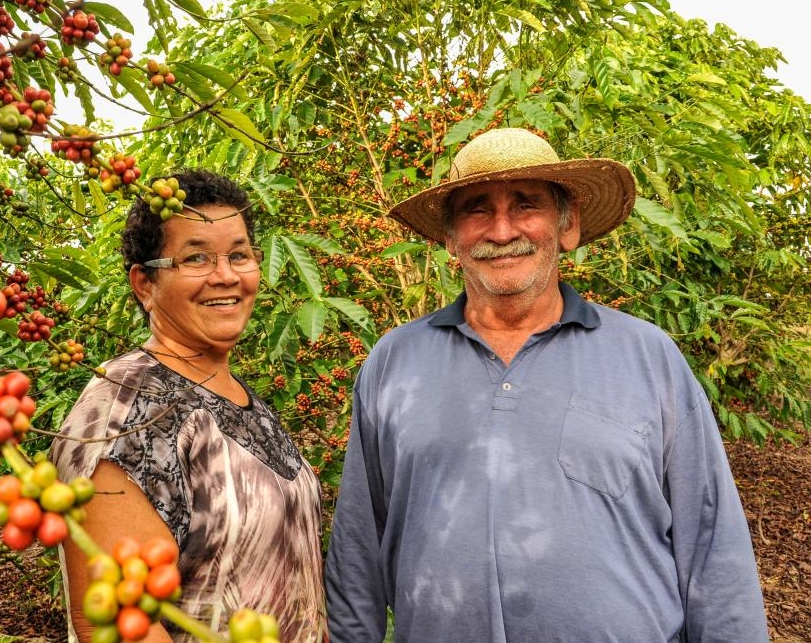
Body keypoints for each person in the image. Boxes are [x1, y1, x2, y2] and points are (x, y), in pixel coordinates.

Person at [324, 128, 768, 643]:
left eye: (527, 204)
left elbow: (712, 542)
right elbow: (358, 547)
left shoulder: (648, 356)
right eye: (477, 210)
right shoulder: (394, 362)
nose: (503, 230)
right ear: (450, 238)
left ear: (568, 225)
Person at [51, 169, 327, 643]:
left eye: (239, 255)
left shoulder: (238, 395)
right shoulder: (123, 413)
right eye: (196, 257)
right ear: (144, 284)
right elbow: (119, 626)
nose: (226, 276)